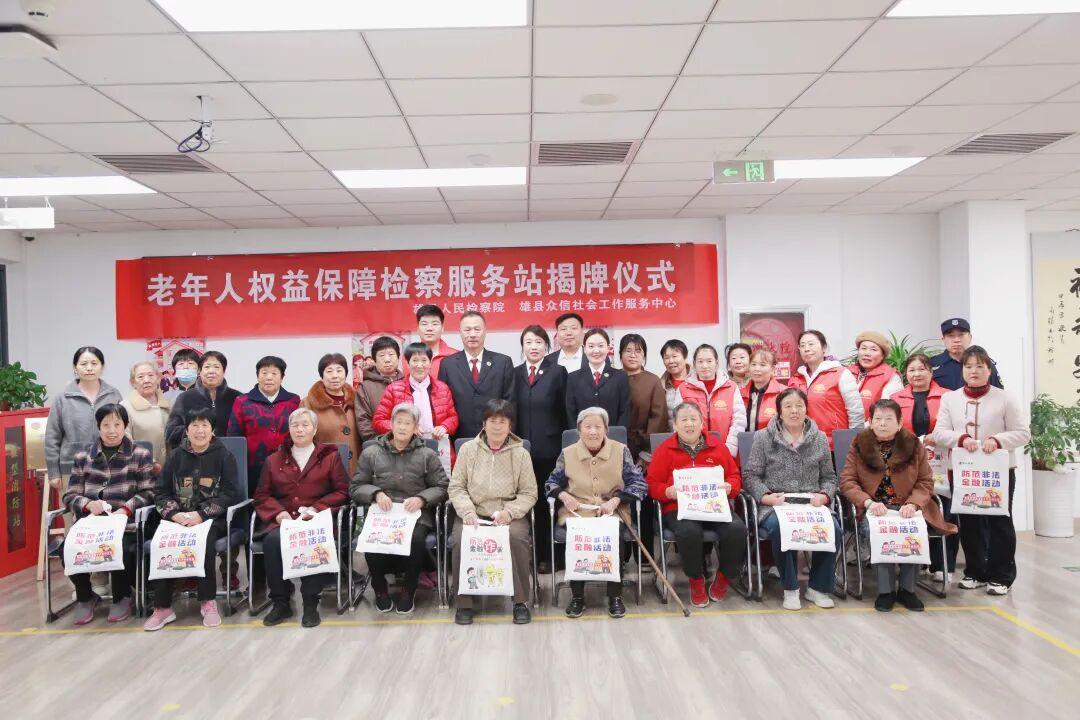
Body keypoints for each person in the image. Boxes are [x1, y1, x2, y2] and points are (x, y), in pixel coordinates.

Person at [839, 399, 958, 612]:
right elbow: (848, 481)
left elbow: (925, 481)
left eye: (888, 419)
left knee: (914, 530)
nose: (882, 423)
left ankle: (907, 590)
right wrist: (867, 502)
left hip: (908, 507)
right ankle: (886, 592)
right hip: (874, 508)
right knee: (879, 532)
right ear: (870, 422)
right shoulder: (859, 443)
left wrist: (913, 504)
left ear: (900, 422)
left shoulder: (913, 444)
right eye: (877, 419)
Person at [933, 346, 1029, 596]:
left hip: (998, 471)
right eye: (968, 366)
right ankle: (975, 572)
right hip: (964, 471)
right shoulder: (950, 398)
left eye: (979, 366)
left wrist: (997, 440)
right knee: (969, 521)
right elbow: (939, 433)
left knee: (1000, 522)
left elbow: (1022, 433)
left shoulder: (1005, 398)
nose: (973, 371)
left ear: (989, 370)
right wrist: (961, 438)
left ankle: (1002, 576)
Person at [545, 407, 647, 619]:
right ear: (579, 430)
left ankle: (615, 596)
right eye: (587, 427)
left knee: (613, 535)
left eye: (598, 427)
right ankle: (577, 597)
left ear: (606, 430)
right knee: (578, 538)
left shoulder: (621, 450)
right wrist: (563, 496)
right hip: (577, 512)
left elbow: (639, 484)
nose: (593, 431)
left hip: (612, 511)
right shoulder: (568, 453)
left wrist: (617, 500)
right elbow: (551, 483)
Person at [144, 407, 239, 631]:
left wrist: (201, 514)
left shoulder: (224, 456)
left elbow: (229, 494)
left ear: (212, 430)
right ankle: (162, 607)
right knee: (162, 542)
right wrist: (174, 514)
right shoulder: (176, 456)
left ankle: (208, 601)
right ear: (186, 430)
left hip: (210, 519)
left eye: (205, 425)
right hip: (177, 517)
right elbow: (161, 492)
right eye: (194, 425)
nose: (199, 430)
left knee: (203, 542)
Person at [744, 388, 840, 611]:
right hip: (777, 504)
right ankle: (790, 588)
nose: (794, 411)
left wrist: (825, 495)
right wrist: (766, 497)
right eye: (788, 406)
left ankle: (817, 588)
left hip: (811, 503)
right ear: (779, 411)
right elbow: (750, 476)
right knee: (782, 529)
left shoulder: (819, 438)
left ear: (806, 409)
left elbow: (829, 477)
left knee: (834, 528)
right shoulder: (763, 437)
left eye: (799, 406)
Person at [254, 408, 350, 628]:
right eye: (295, 425)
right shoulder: (274, 459)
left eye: (305, 425)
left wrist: (316, 509)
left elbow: (343, 491)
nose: (300, 429)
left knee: (311, 540)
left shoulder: (330, 457)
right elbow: (261, 495)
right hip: (286, 521)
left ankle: (310, 604)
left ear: (314, 430)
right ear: (289, 429)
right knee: (272, 542)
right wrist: (278, 513)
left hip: (316, 519)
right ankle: (281, 602)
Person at [351, 403, 449, 614]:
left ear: (416, 428)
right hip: (382, 513)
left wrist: (422, 499)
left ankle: (408, 590)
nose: (402, 427)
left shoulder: (427, 455)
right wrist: (376, 494)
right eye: (399, 422)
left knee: (416, 539)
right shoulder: (371, 453)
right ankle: (379, 588)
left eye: (408, 423)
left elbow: (442, 487)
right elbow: (356, 486)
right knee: (371, 539)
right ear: (391, 424)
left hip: (415, 514)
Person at [62, 404, 155, 625]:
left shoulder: (140, 454)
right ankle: (85, 596)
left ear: (125, 426)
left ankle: (122, 596)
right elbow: (70, 495)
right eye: (106, 425)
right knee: (67, 548)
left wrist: (126, 509)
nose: (111, 430)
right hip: (91, 524)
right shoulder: (83, 456)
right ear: (98, 427)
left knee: (118, 546)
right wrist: (87, 504)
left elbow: (149, 492)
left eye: (117, 424)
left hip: (125, 522)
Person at [646, 402, 746, 608]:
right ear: (675, 425)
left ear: (702, 423)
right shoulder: (665, 450)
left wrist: (731, 487)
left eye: (694, 419)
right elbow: (652, 484)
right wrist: (667, 491)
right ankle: (696, 580)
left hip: (715, 505)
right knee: (689, 531)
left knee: (737, 529)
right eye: (684, 419)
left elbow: (734, 476)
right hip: (679, 508)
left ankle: (724, 577)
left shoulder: (717, 446)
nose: (689, 424)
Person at [448, 400, 537, 625]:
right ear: (484, 424)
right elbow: (456, 487)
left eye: (502, 421)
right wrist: (467, 512)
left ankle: (520, 602)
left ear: (510, 426)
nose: (497, 426)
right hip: (474, 512)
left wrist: (509, 512)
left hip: (508, 514)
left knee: (516, 537)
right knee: (461, 539)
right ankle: (464, 602)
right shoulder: (468, 450)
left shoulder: (520, 454)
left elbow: (529, 493)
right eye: (492, 421)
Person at [892, 353, 954, 579]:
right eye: (911, 370)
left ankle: (943, 565)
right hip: (907, 464)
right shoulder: (895, 398)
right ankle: (916, 561)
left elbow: (955, 427)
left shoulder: (948, 396)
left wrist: (939, 437)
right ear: (905, 374)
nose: (916, 374)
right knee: (913, 509)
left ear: (931, 371)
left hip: (942, 464)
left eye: (922, 369)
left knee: (944, 511)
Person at [513, 325, 568, 575]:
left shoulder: (558, 372)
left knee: (548, 503)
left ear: (546, 346)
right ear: (522, 346)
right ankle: (529, 554)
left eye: (538, 342)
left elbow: (565, 411)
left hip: (549, 449)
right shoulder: (514, 373)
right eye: (529, 342)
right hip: (520, 449)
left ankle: (549, 555)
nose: (533, 347)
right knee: (525, 503)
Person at [45, 346, 124, 491]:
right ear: (75, 367)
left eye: (94, 363)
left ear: (102, 367)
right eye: (83, 364)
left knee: (107, 505)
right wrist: (54, 472)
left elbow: (123, 430)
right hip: (71, 468)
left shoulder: (114, 395)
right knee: (73, 504)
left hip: (110, 466)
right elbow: (52, 437)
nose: (89, 368)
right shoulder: (62, 398)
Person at [226, 355, 301, 495]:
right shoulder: (243, 401)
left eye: (274, 373)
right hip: (252, 467)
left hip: (287, 465)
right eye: (264, 373)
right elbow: (234, 436)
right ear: (257, 376)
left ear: (282, 377)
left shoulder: (293, 401)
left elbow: (300, 432)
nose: (269, 377)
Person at [438, 311, 515, 441]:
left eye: (477, 329)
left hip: (495, 436)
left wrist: (506, 433)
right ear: (460, 332)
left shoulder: (503, 362)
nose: (472, 334)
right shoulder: (447, 364)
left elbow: (510, 402)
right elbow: (443, 403)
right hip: (459, 437)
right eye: (467, 330)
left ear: (485, 331)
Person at [787, 330, 863, 447]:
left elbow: (855, 411)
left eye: (811, 344)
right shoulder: (796, 379)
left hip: (835, 444)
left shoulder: (841, 373)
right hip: (804, 444)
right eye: (802, 345)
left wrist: (854, 442)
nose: (806, 349)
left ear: (824, 348)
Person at [373, 343, 459, 446]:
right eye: (415, 360)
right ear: (408, 363)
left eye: (424, 360)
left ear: (430, 363)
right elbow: (378, 421)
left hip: (438, 444)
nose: (419, 365)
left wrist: (445, 426)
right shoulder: (394, 389)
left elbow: (453, 417)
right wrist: (405, 427)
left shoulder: (442, 388)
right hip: (405, 447)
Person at [677, 344, 745, 456]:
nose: (705, 366)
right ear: (694, 364)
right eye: (700, 361)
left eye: (709, 361)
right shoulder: (683, 389)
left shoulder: (731, 387)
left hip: (725, 451)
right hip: (693, 453)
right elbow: (678, 422)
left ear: (717, 363)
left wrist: (729, 448)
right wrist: (688, 449)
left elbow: (739, 420)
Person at [165, 350, 241, 450]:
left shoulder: (237, 398)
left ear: (224, 371)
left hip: (230, 454)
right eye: (207, 367)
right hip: (193, 455)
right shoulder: (185, 398)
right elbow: (170, 433)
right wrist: (194, 431)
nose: (211, 371)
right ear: (199, 371)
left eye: (216, 367)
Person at [302, 352, 360, 473]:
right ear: (321, 376)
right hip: (324, 472)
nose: (335, 376)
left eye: (339, 370)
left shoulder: (358, 400)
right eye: (329, 371)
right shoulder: (308, 404)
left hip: (358, 470)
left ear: (346, 374)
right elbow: (302, 440)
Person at [566, 328, 630, 429]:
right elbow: (570, 413)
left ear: (608, 348)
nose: (596, 350)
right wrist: (578, 434)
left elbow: (624, 412)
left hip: (612, 436)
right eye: (591, 346)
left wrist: (617, 434)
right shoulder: (573, 378)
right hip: (582, 436)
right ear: (584, 349)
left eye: (601, 346)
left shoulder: (620, 377)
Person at [620, 334, 670, 462]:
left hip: (643, 448)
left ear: (644, 355)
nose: (633, 355)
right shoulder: (613, 378)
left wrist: (647, 449)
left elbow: (659, 418)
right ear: (620, 354)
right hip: (616, 443)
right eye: (628, 351)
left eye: (638, 351)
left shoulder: (652, 381)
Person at [121, 361, 171, 469]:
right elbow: (126, 440)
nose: (146, 380)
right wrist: (150, 463)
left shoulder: (169, 405)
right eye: (140, 377)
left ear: (158, 378)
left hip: (169, 469)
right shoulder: (124, 407)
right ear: (132, 382)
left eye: (151, 375)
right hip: (140, 468)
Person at [931, 318, 1003, 391]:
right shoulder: (932, 364)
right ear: (943, 339)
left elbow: (998, 393)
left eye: (961, 335)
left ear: (970, 338)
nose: (956, 340)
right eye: (951, 336)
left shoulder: (984, 363)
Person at [356, 336, 403, 442]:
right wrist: (378, 443)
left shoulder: (407, 382)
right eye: (381, 355)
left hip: (408, 444)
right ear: (374, 360)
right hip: (378, 445)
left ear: (398, 357)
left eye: (391, 354)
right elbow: (363, 421)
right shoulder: (365, 387)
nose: (387, 360)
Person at [847, 331, 903, 418]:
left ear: (882, 356)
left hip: (871, 426)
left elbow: (888, 413)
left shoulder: (891, 377)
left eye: (873, 349)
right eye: (863, 348)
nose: (867, 353)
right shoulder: (847, 372)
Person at [406, 304, 459, 379]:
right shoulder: (408, 356)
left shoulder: (457, 356)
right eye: (424, 324)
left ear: (442, 328)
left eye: (434, 324)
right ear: (417, 329)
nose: (429, 328)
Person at [745, 348, 787, 431]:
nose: (757, 369)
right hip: (743, 439)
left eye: (762, 365)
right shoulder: (739, 393)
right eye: (753, 364)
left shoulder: (784, 393)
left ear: (772, 369)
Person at [659, 339, 692, 426]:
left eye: (674, 356)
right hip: (670, 433)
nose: (671, 361)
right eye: (666, 358)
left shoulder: (697, 382)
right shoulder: (660, 385)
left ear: (685, 357)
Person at [725, 343, 753, 407]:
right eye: (734, 358)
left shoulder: (757, 382)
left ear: (750, 360)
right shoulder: (724, 384)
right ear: (729, 363)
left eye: (742, 357)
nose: (738, 361)